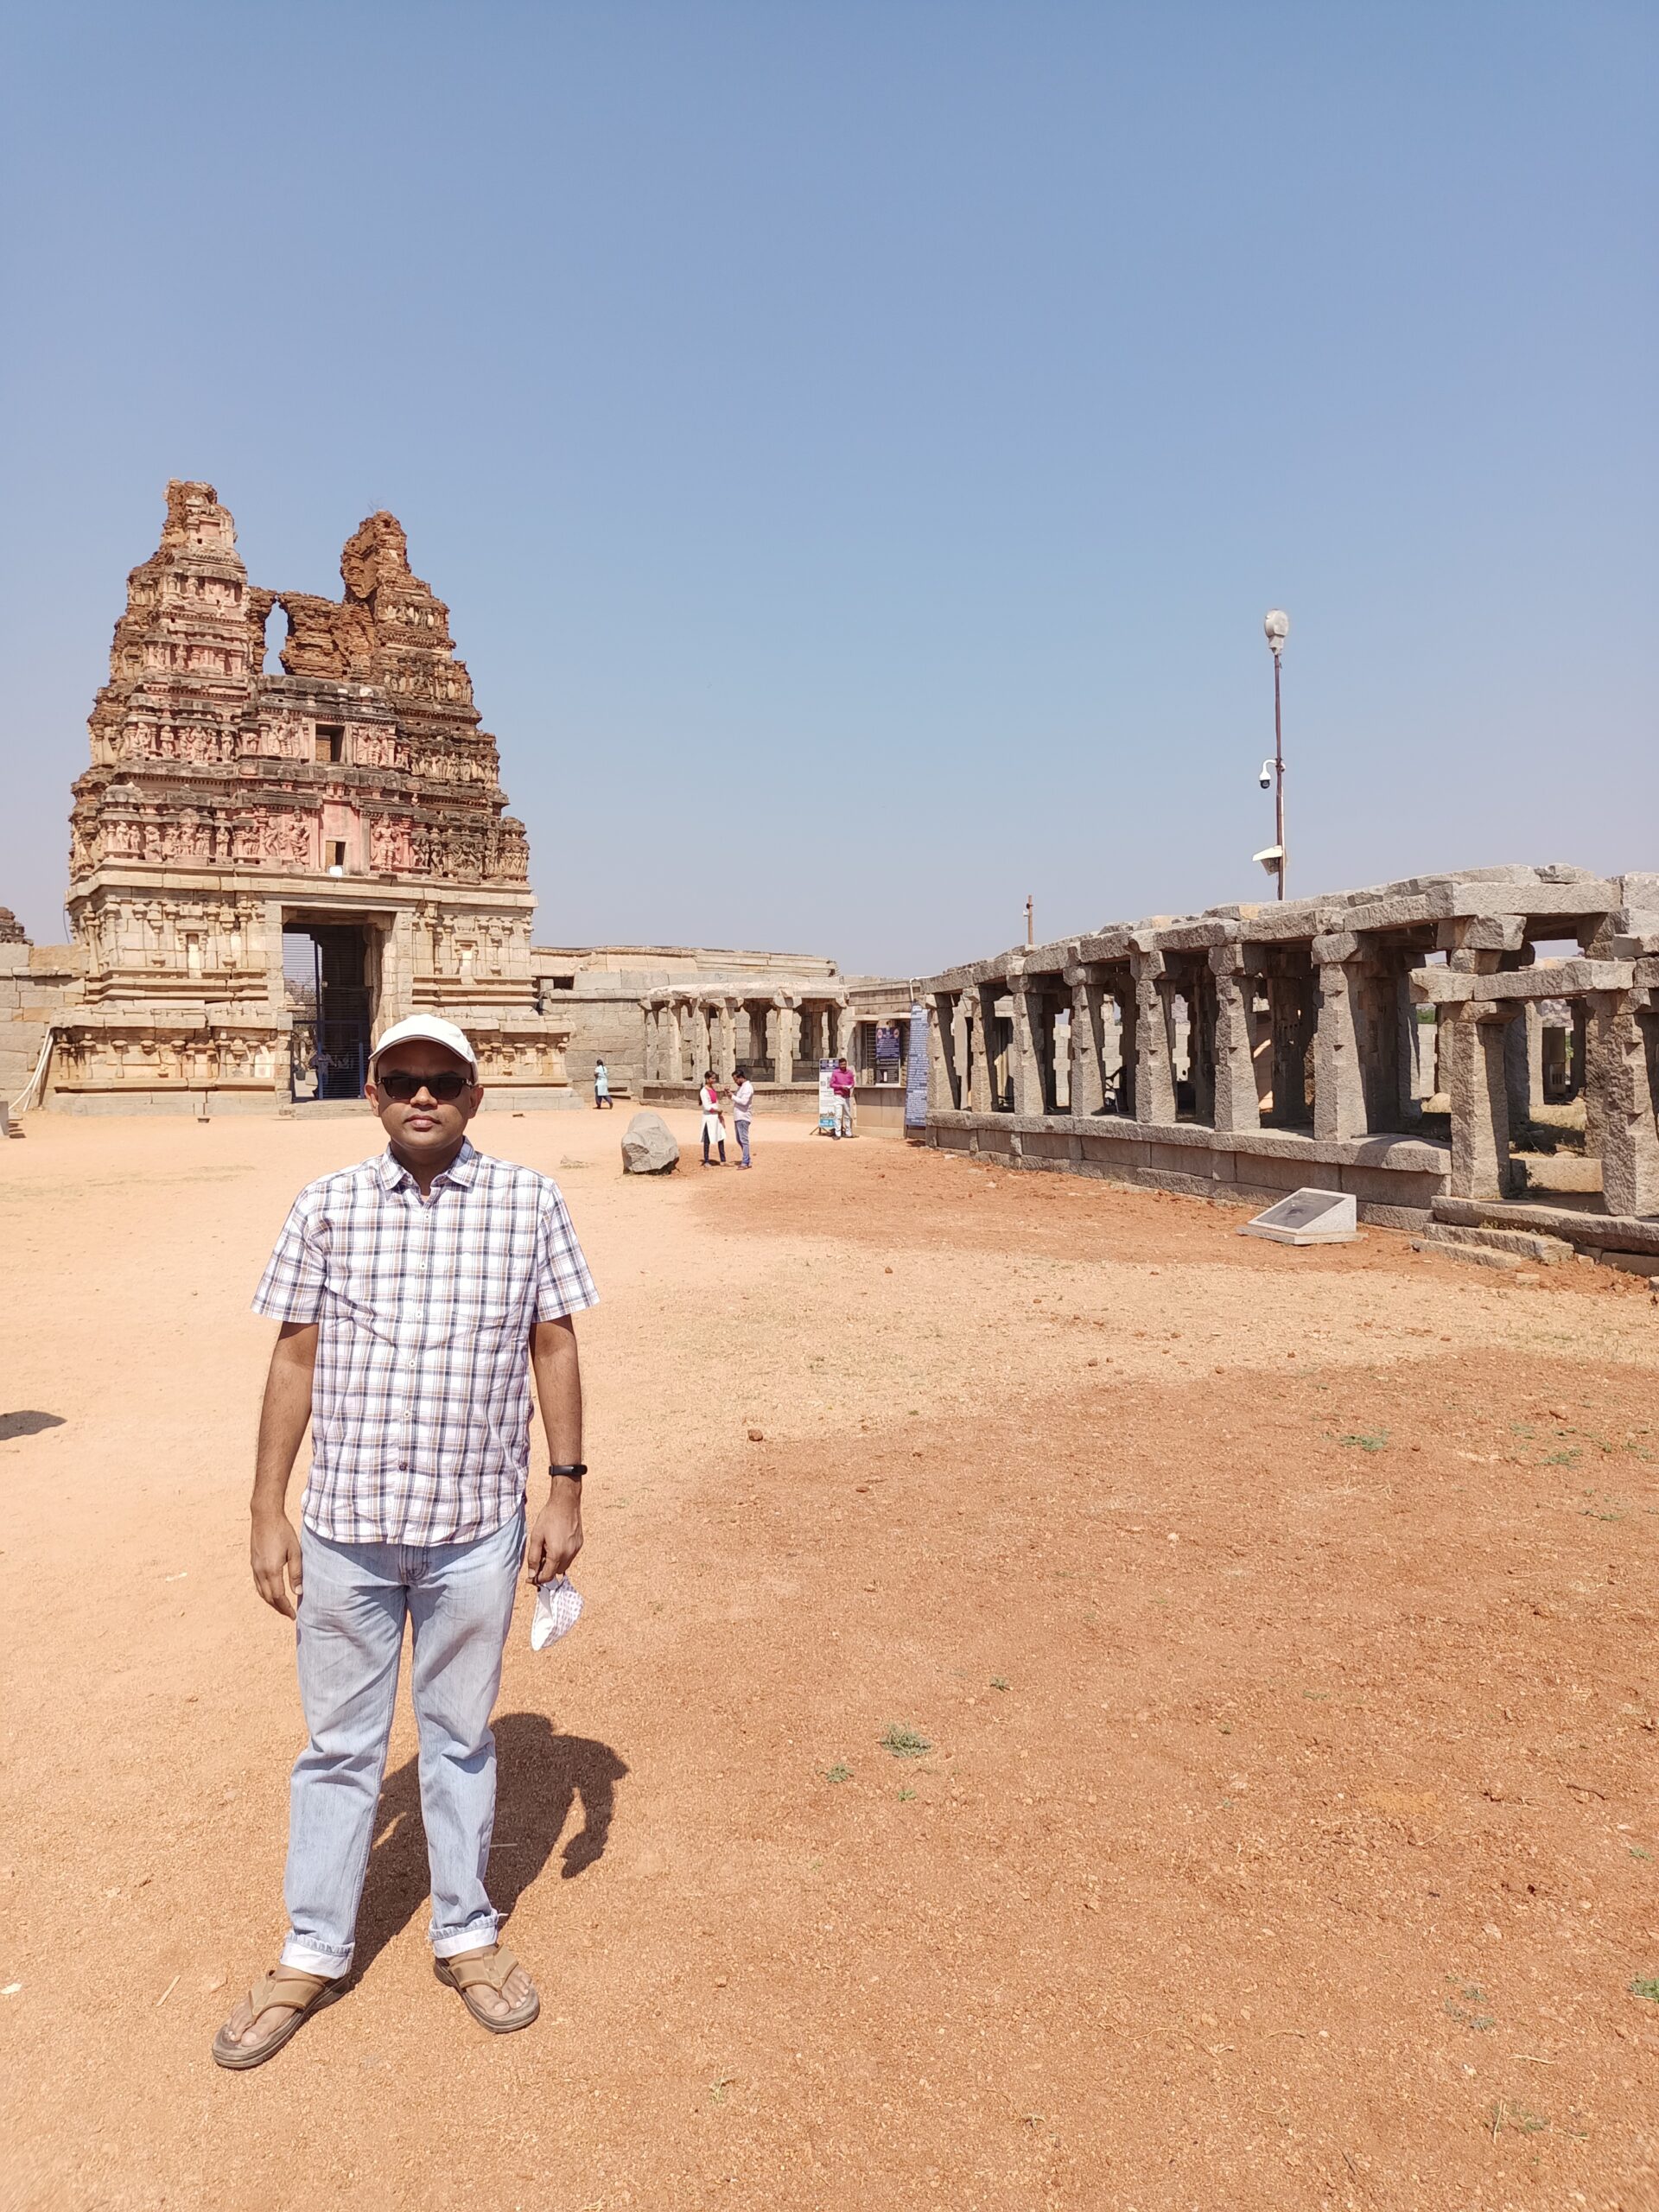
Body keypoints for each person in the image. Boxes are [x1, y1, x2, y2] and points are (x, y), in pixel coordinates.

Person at [212, 1014, 598, 2070]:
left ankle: (465, 1929)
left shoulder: (529, 1202)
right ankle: (313, 1946)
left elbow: (552, 1342)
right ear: (372, 1092)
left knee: (461, 1735)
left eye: (444, 1080)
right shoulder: (327, 1207)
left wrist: (565, 1490)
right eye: (402, 1079)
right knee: (338, 1744)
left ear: (474, 1094)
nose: (422, 1096)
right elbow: (295, 1359)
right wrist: (264, 1505)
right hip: (347, 1524)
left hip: (477, 1521)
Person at [699, 1069, 727, 1166]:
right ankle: (706, 1160)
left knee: (720, 1137)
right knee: (707, 1139)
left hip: (716, 1117)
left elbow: (715, 1103)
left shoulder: (712, 1089)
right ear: (707, 1079)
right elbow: (706, 1106)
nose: (714, 1080)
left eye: (715, 1078)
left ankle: (723, 1160)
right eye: (712, 1078)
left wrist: (720, 1115)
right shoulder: (703, 1091)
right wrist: (716, 1110)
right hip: (709, 1118)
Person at [730, 1065, 755, 1168]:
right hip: (738, 1116)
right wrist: (730, 1095)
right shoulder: (741, 1088)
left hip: (743, 1116)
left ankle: (745, 1161)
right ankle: (747, 1159)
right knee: (739, 1140)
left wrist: (732, 1097)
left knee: (744, 1140)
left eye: (736, 1080)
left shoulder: (748, 1087)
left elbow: (744, 1102)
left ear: (741, 1077)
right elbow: (735, 1098)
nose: (735, 1082)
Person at [830, 1054, 856, 1139]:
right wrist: (841, 1086)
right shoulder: (835, 1073)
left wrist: (850, 1086)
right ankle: (838, 1134)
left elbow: (852, 1083)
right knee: (838, 1115)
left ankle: (848, 1133)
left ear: (846, 1064)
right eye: (841, 1065)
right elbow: (831, 1084)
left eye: (844, 1064)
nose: (843, 1066)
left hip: (847, 1096)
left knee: (847, 1115)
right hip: (838, 1096)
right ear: (839, 1065)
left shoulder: (849, 1073)